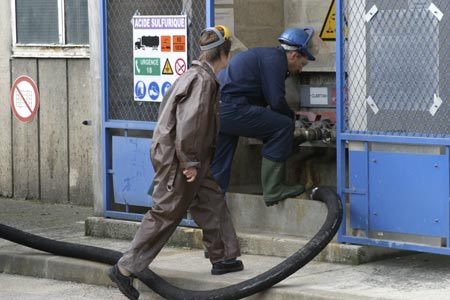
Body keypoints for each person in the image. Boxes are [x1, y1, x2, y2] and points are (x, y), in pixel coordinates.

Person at [107, 25, 243, 300]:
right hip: (182, 158)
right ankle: (124, 269)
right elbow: (190, 124)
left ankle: (224, 257)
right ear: (224, 55)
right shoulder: (203, 81)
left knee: (212, 201)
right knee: (166, 212)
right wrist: (189, 161)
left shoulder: (194, 75)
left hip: (186, 156)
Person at [210, 27, 316, 207]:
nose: (300, 69)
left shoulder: (266, 56)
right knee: (282, 126)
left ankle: (211, 203)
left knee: (221, 158)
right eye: (302, 64)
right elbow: (275, 100)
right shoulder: (276, 61)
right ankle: (274, 189)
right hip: (233, 107)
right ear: (293, 55)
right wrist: (291, 120)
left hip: (218, 108)